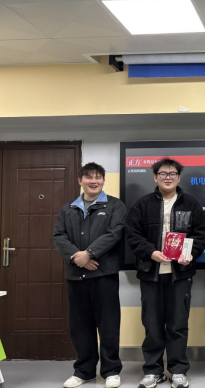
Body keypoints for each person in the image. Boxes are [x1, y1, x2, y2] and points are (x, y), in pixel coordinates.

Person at [125, 158, 205, 389]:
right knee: (152, 324)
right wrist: (150, 252)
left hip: (180, 274)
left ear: (179, 177)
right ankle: (153, 371)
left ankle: (178, 370)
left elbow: (201, 234)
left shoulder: (191, 203)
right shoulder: (142, 204)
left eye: (172, 173)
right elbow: (132, 234)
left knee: (178, 324)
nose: (168, 177)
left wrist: (191, 253)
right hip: (150, 273)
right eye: (163, 173)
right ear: (155, 177)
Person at [53, 163, 126, 389]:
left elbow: (115, 233)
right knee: (80, 325)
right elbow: (59, 236)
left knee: (109, 325)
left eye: (98, 177)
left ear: (103, 180)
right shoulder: (68, 209)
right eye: (88, 177)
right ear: (80, 181)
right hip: (76, 276)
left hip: (105, 275)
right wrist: (78, 257)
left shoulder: (115, 205)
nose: (93, 181)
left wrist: (90, 253)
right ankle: (83, 371)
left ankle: (111, 371)